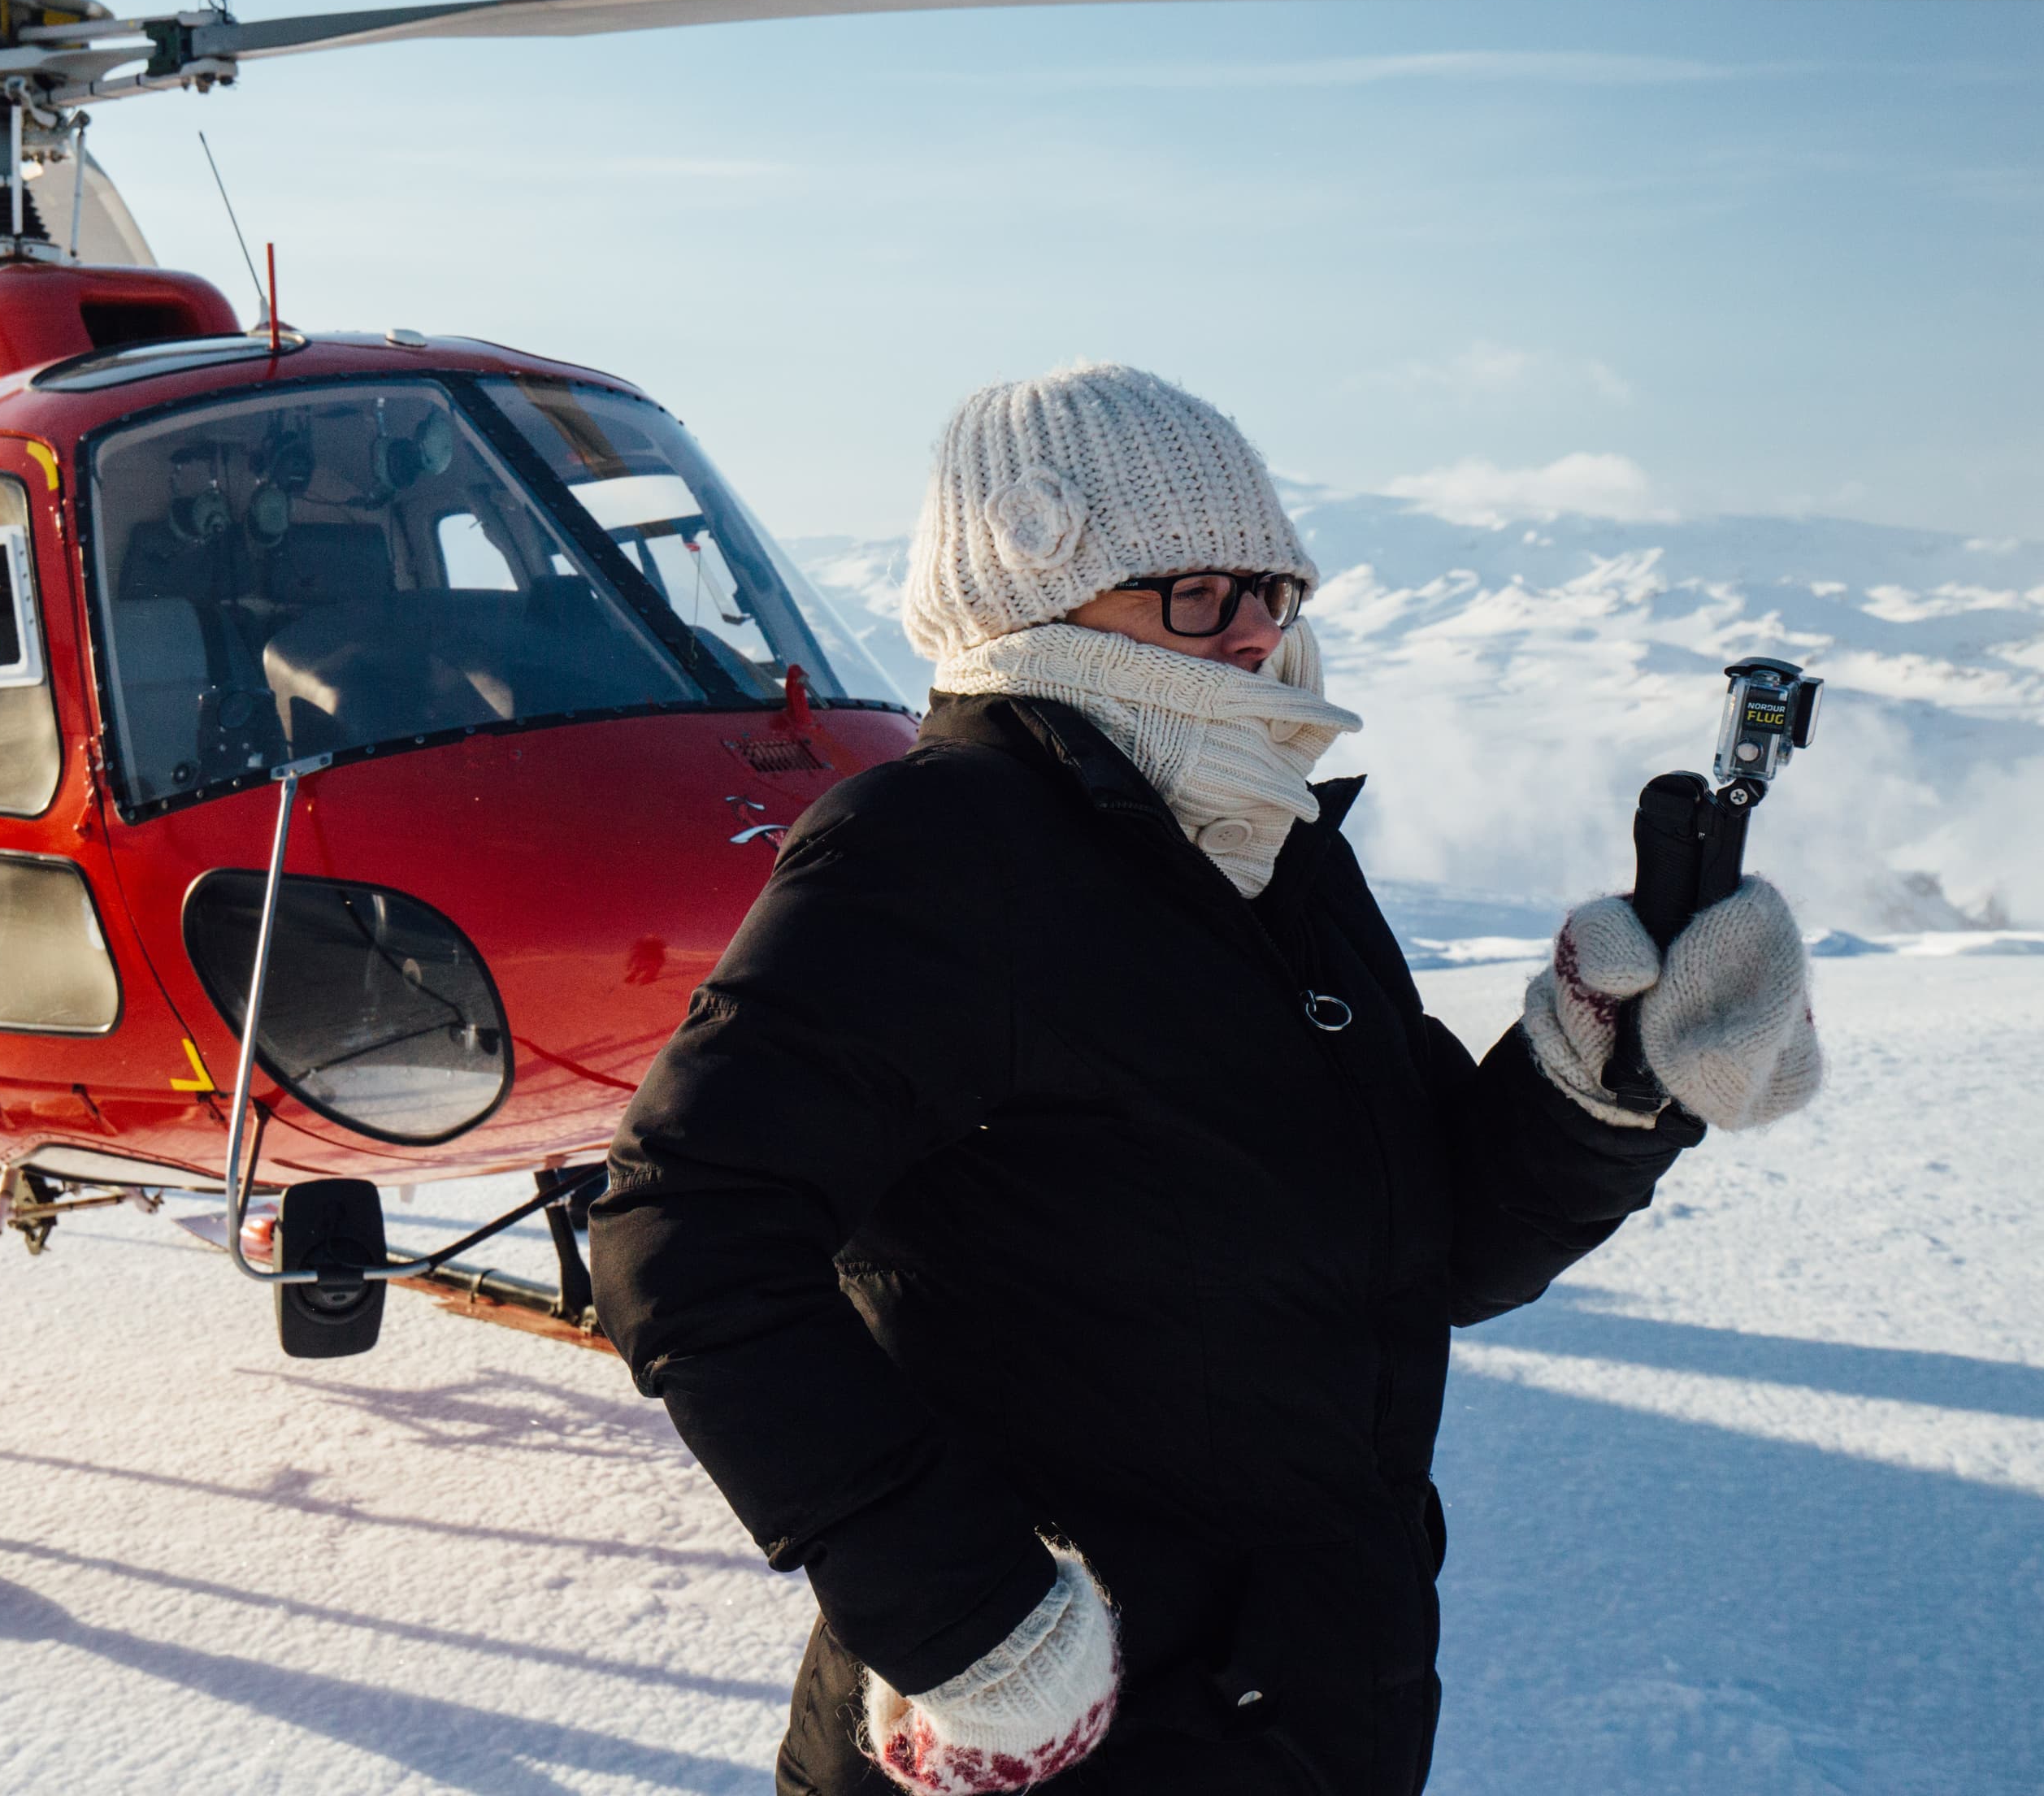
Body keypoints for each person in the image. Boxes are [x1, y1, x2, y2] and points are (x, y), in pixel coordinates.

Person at [588, 363, 1824, 1796]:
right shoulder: (939, 845)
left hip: (1311, 1696)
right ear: (1035, 595)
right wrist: (961, 1617)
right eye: (1194, 592)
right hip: (1055, 1729)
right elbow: (686, 1225)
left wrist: (1608, 1072)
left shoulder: (1265, 848)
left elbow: (1433, 1248)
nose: (1250, 632)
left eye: (1273, 590)